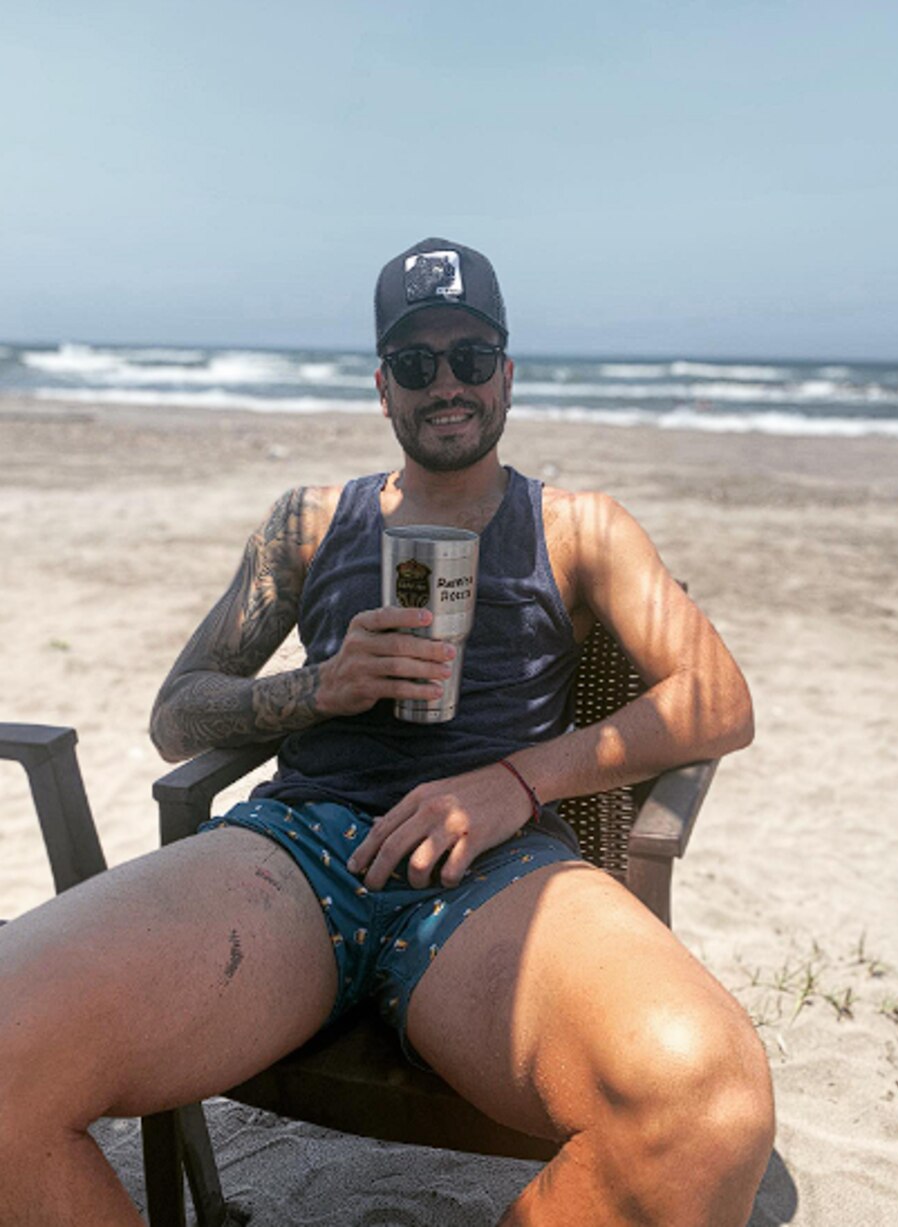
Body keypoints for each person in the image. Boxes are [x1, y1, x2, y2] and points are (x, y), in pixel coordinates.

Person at [0, 238, 774, 1226]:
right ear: (382, 387)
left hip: (496, 873)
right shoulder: (309, 523)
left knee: (708, 1105)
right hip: (298, 852)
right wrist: (321, 687)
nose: (445, 382)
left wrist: (515, 782)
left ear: (505, 374)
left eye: (469, 356)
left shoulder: (579, 527)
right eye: (415, 361)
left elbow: (717, 699)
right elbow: (177, 713)